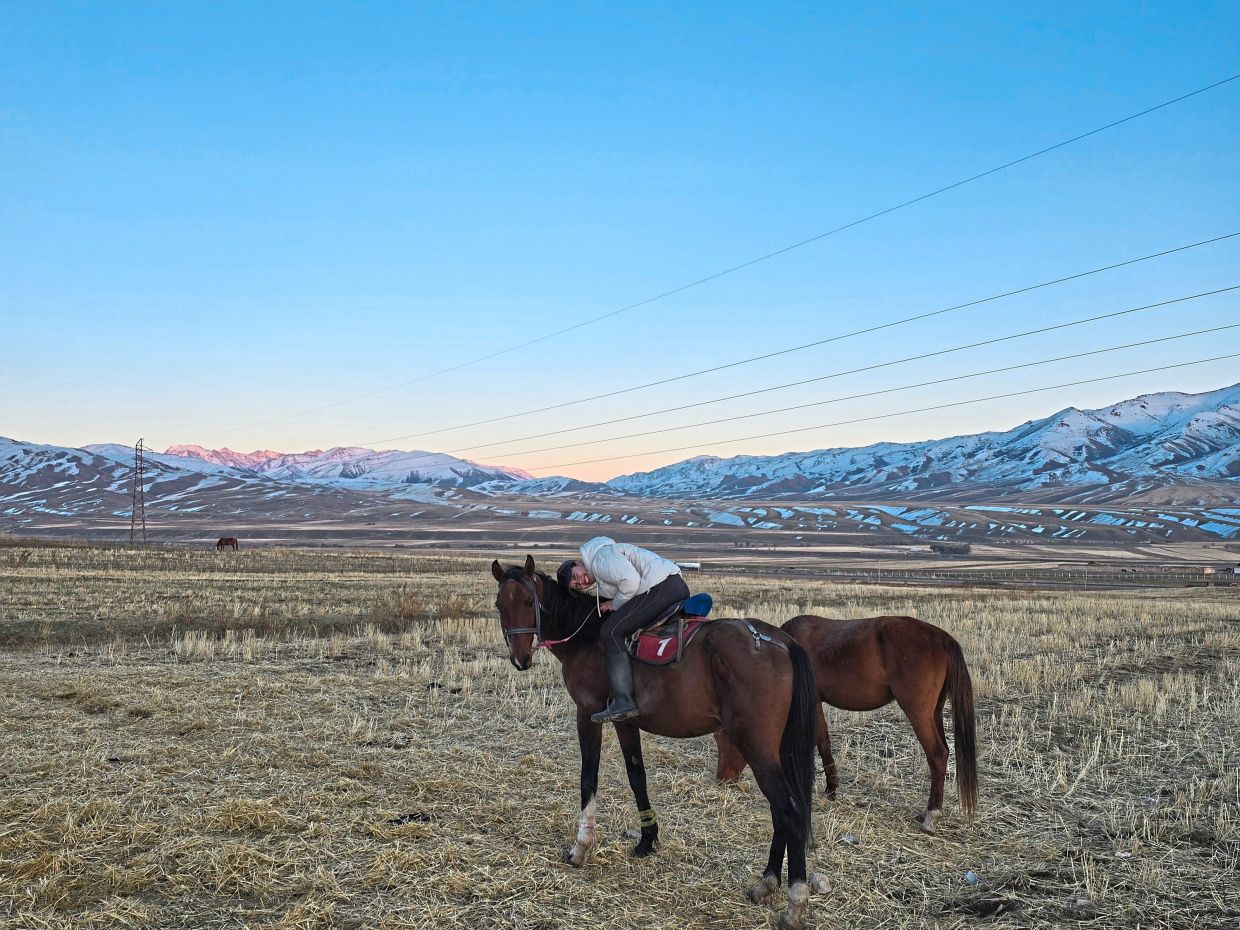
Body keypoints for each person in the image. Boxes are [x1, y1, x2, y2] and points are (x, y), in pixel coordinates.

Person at [557, 536, 689, 723]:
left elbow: (630, 582)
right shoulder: (600, 575)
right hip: (670, 586)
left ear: (577, 562)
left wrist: (614, 603)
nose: (581, 581)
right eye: (577, 586)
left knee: (610, 632)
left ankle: (624, 701)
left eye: (575, 575)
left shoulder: (599, 558)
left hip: (661, 586)